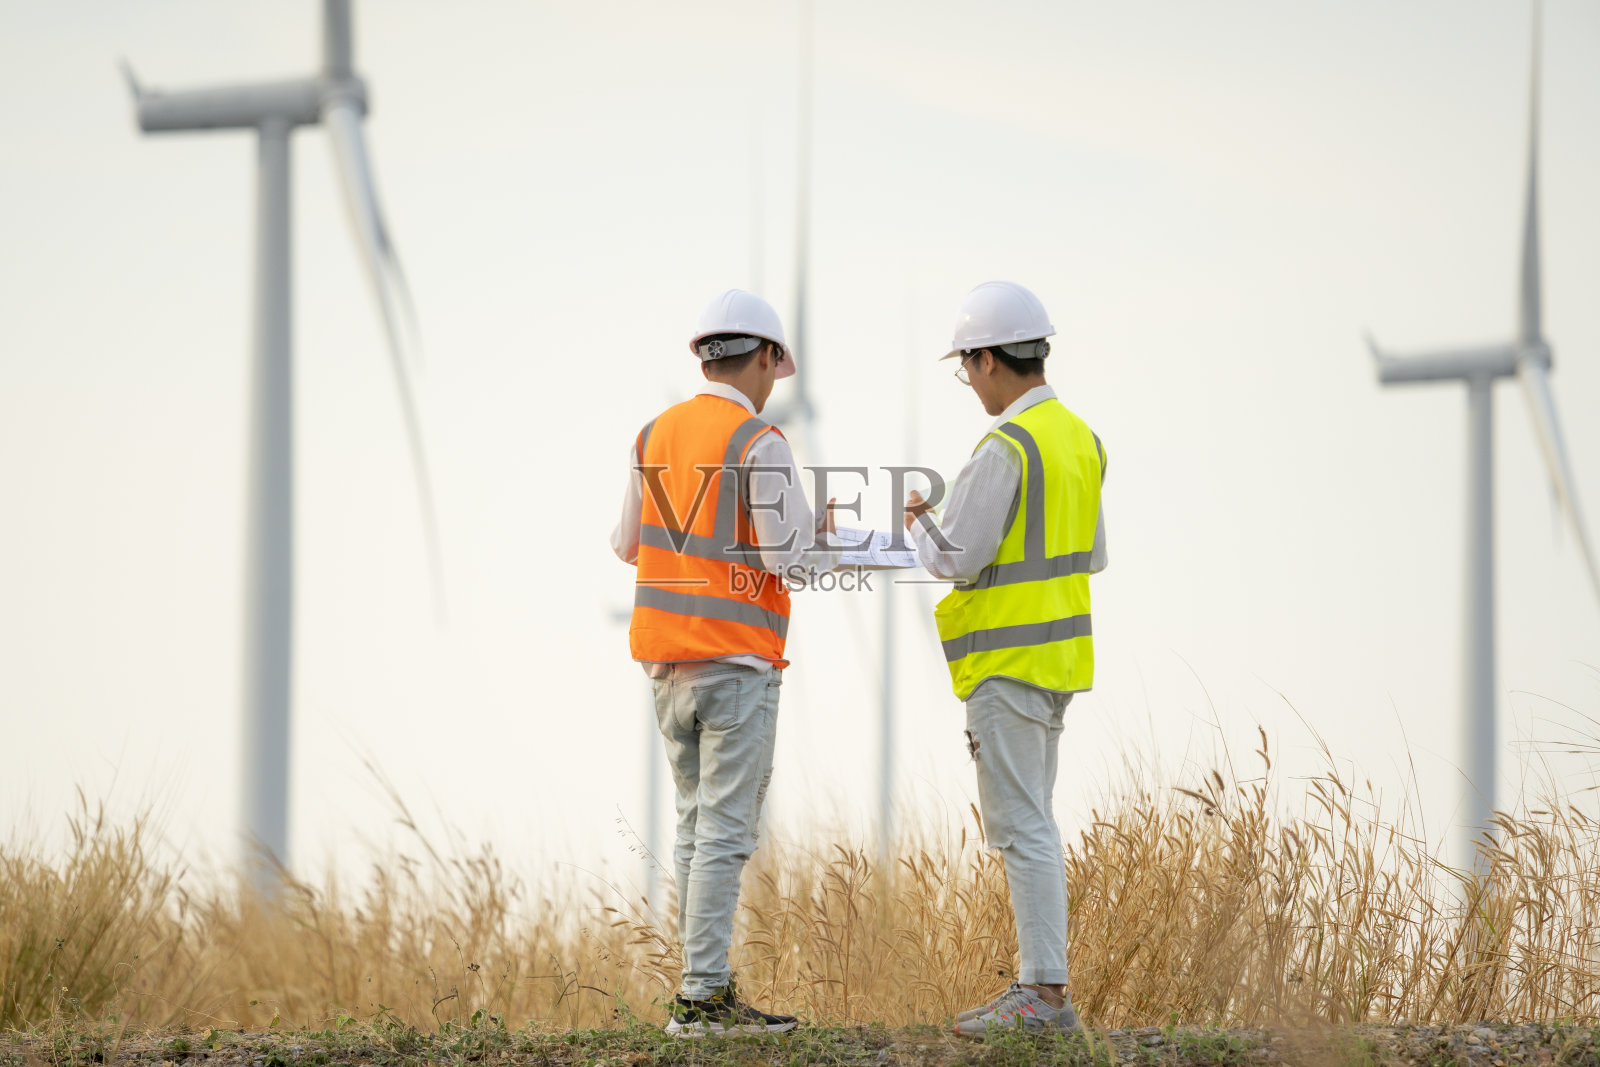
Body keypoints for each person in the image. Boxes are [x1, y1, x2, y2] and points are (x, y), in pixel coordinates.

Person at [611, 288, 838, 1038]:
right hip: (736, 666)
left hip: (666, 670)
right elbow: (787, 555)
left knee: (692, 825)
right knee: (726, 832)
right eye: (778, 364)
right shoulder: (759, 442)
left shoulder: (653, 434)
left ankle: (700, 989)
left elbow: (625, 543)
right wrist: (818, 528)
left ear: (703, 355)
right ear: (767, 357)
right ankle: (703, 999)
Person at [903, 281, 1107, 1037]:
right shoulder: (1081, 439)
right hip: (1058, 664)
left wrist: (921, 522)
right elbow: (1091, 552)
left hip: (1006, 664)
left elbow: (958, 558)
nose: (970, 382)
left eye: (967, 366)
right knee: (1035, 819)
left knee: (1021, 826)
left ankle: (1041, 994)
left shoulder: (1005, 446)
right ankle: (1041, 988)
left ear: (989, 359)